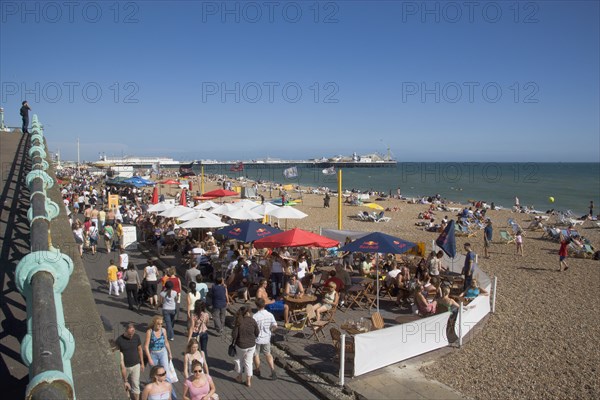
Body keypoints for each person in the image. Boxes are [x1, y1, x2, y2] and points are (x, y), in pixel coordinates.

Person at [116, 323, 145, 400]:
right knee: (124, 384)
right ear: (125, 331)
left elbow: (140, 350)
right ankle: (127, 397)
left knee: (136, 384)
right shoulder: (119, 340)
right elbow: (117, 355)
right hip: (125, 367)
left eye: (132, 333)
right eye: (129, 334)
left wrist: (142, 363)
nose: (131, 336)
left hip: (136, 365)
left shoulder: (137, 337)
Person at [232, 306, 259, 387]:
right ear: (248, 312)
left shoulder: (239, 321)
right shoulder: (253, 321)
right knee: (249, 362)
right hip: (251, 345)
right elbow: (257, 333)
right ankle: (248, 381)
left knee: (239, 361)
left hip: (241, 345)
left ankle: (239, 377)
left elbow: (234, 335)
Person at [252, 298, 278, 380]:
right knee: (268, 354)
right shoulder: (270, 315)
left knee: (256, 354)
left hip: (257, 339)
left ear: (257, 306)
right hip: (267, 338)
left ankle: (257, 369)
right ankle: (272, 370)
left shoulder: (255, 316)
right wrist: (271, 330)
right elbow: (275, 325)